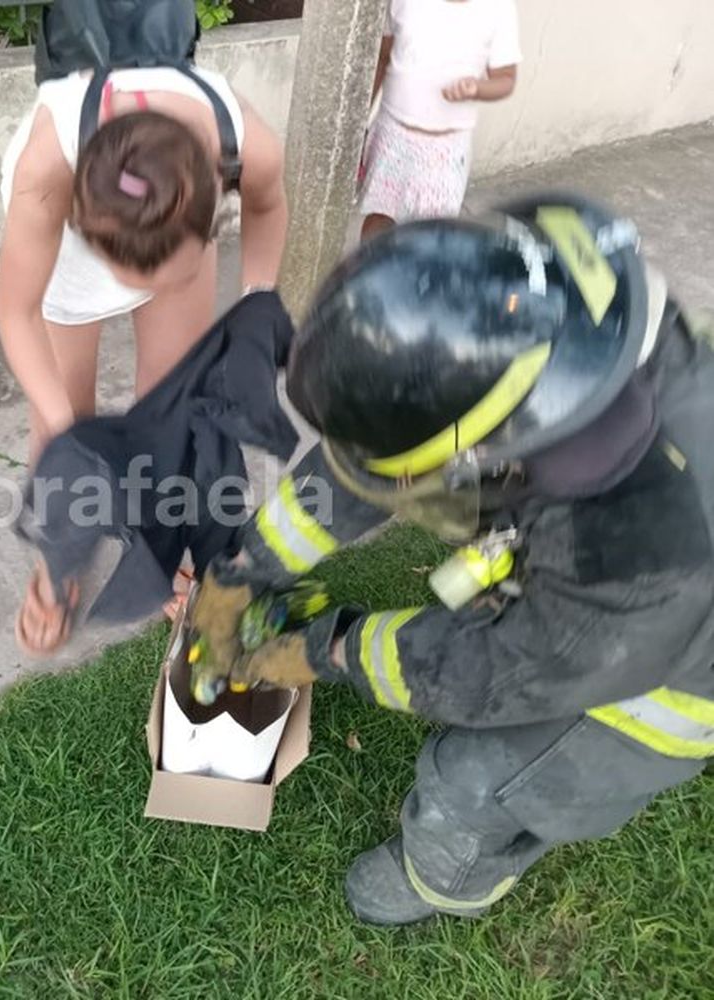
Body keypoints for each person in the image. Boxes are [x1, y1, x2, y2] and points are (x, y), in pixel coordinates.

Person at [192, 192, 714, 925]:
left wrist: (321, 648)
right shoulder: (537, 309)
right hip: (607, 599)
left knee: (469, 780)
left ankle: (446, 878)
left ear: (491, 451)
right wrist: (247, 566)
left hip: (668, 676)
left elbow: (492, 672)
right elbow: (371, 464)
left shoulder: (631, 554)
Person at [0, 59, 289, 654]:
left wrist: (259, 302)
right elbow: (14, 313)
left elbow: (268, 205)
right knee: (64, 431)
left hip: (171, 233)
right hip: (70, 268)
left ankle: (163, 553)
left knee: (175, 421)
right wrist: (72, 443)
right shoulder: (45, 169)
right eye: (137, 277)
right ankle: (57, 575)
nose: (142, 289)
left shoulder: (237, 140)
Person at [359, 0, 521, 240]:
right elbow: (383, 57)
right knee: (379, 218)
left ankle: (414, 277)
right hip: (392, 136)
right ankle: (370, 271)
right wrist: (361, 123)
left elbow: (506, 78)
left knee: (430, 233)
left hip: (445, 151)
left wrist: (477, 88)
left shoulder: (498, 7)